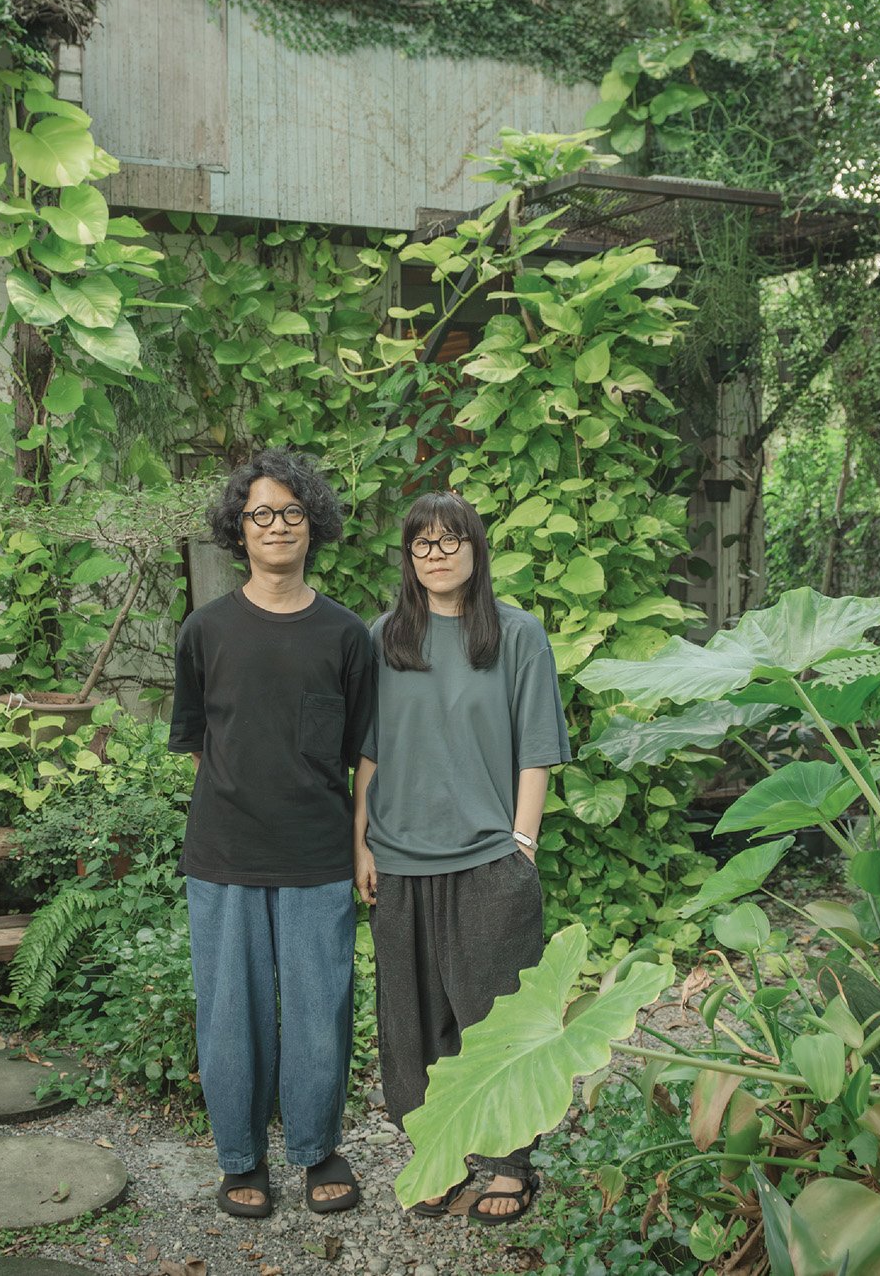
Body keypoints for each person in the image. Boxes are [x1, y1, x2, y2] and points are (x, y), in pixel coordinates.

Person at [354, 491, 570, 1226]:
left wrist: (523, 844)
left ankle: (509, 1164)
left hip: (488, 858)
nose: (436, 553)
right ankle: (436, 1158)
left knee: (495, 1017)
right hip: (399, 860)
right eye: (422, 543)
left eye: (451, 540)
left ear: (476, 549)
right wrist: (360, 844)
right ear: (409, 558)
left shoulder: (517, 635)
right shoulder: (383, 639)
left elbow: (537, 749)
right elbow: (369, 753)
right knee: (411, 1025)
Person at [169, 448, 375, 1219]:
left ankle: (318, 1149)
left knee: (321, 1013)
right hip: (224, 855)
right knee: (231, 1017)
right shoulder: (205, 631)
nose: (277, 525)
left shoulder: (346, 635)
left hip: (319, 854)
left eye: (291, 512)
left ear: (313, 524)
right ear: (239, 529)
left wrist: (362, 845)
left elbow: (365, 753)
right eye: (261, 513)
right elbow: (199, 741)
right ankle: (240, 1158)